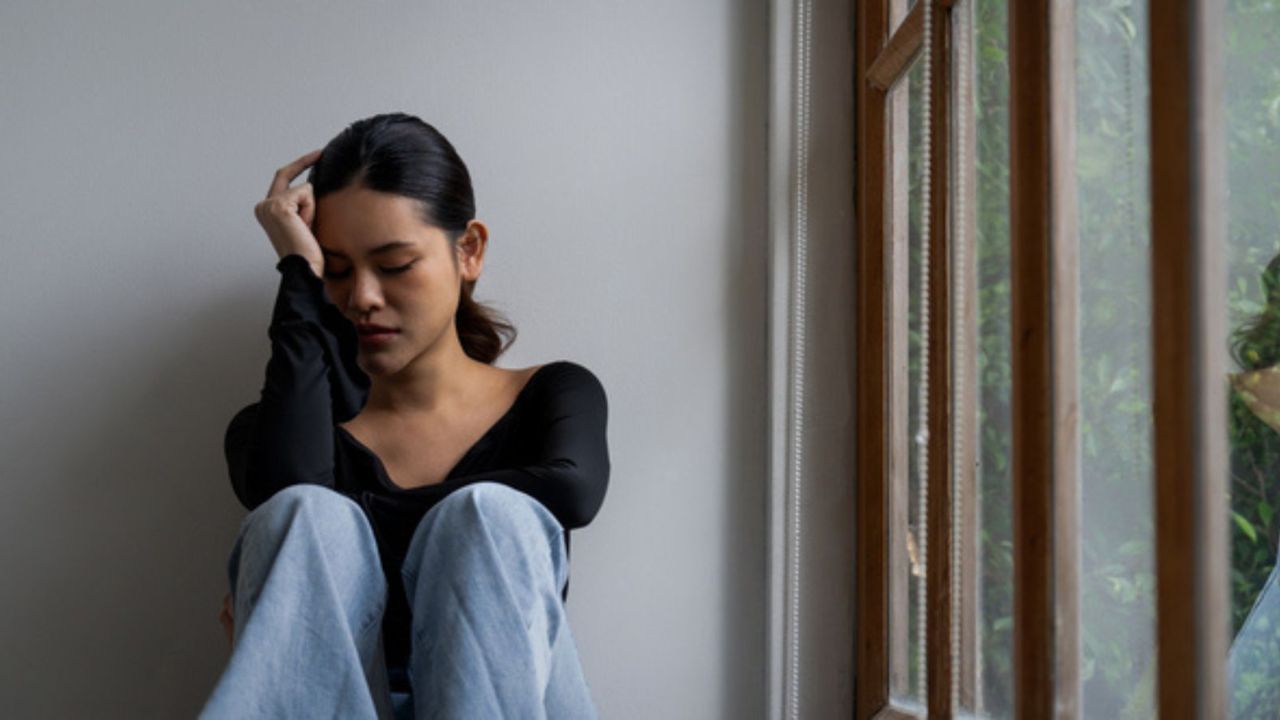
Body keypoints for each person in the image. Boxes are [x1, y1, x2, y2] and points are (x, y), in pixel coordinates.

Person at [199, 112, 610, 719]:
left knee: (486, 515)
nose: (362, 298)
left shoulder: (552, 395)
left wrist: (367, 511)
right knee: (304, 514)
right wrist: (298, 276)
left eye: (394, 266)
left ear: (468, 251)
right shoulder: (272, 437)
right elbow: (285, 493)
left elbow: (572, 492)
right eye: (337, 271)